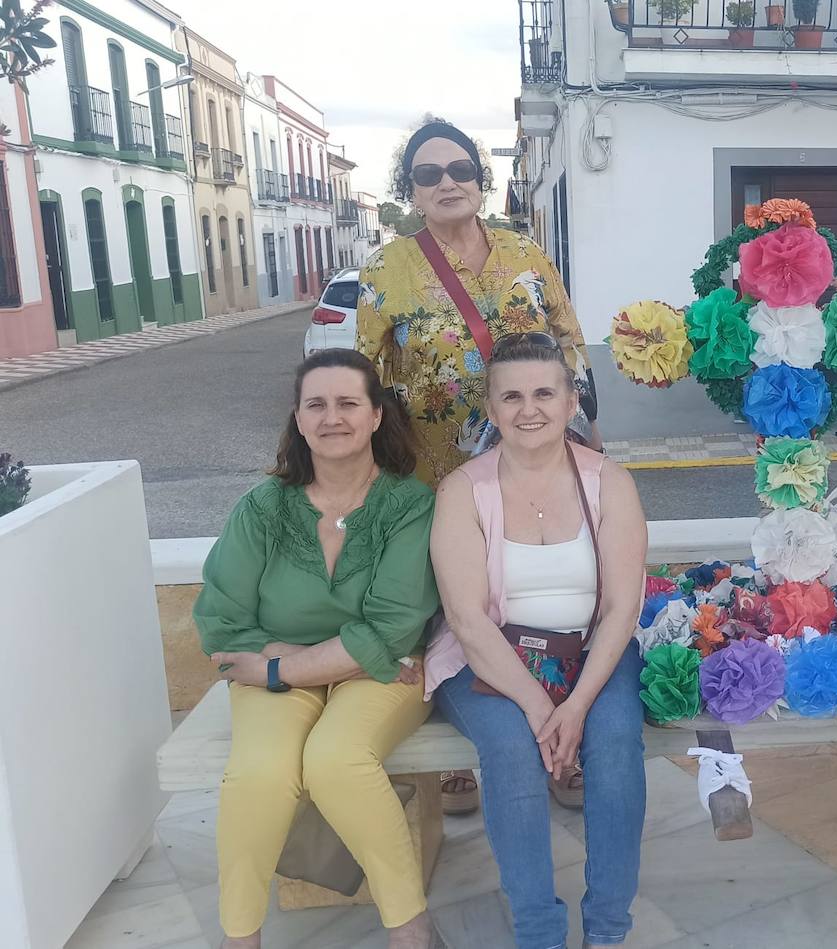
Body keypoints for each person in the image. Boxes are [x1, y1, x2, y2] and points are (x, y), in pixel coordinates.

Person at [357, 118, 602, 812]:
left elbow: (570, 345)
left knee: (548, 591)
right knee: (453, 609)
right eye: (428, 174)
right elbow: (368, 376)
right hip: (433, 471)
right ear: (410, 189)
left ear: (480, 177)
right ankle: (458, 755)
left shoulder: (524, 252)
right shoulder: (385, 270)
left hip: (537, 459)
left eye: (459, 168)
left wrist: (589, 435)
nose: (447, 183)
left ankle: (563, 735)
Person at [194, 348, 441, 949]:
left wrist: (279, 663)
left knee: (337, 761)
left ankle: (412, 931)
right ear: (299, 420)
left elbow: (392, 628)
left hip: (379, 674)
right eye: (317, 405)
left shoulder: (410, 506)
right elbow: (222, 625)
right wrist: (298, 663)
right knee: (258, 772)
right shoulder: (263, 508)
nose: (333, 417)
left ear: (377, 415)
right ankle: (240, 938)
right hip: (293, 668)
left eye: (349, 403)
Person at [425, 333, 648, 949]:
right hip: (489, 658)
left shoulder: (612, 484)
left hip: (591, 651)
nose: (530, 409)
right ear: (492, 408)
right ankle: (539, 932)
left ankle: (607, 930)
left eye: (545, 392)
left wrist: (575, 707)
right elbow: (467, 619)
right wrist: (536, 706)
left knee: (617, 740)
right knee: (510, 752)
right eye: (512, 396)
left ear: (572, 400)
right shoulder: (462, 490)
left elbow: (623, 607)